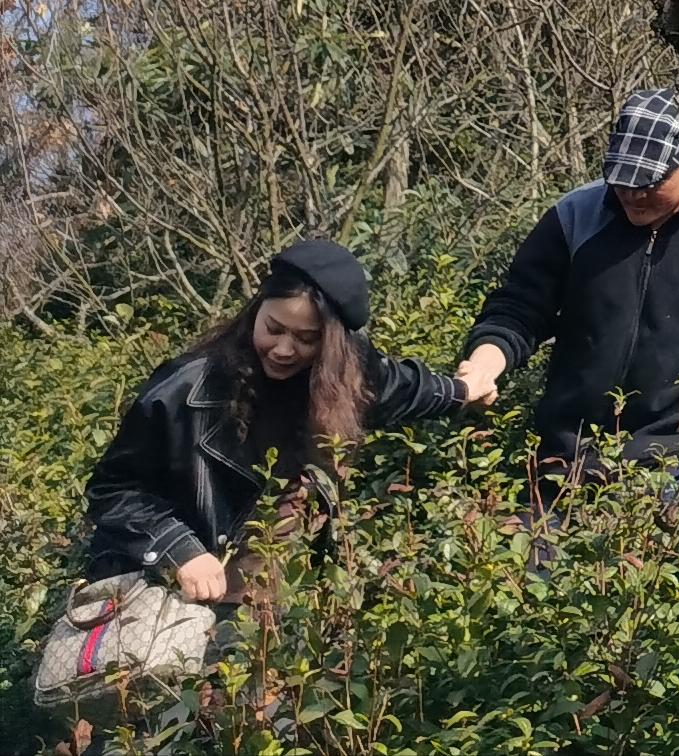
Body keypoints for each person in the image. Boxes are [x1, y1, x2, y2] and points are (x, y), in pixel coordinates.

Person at [74, 239, 491, 613]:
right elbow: (114, 491)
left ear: (331, 345)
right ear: (256, 310)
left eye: (307, 339)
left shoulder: (345, 375)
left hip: (285, 588)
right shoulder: (187, 389)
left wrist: (464, 389)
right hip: (189, 589)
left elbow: (403, 388)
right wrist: (179, 549)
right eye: (273, 329)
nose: (284, 349)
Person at [452, 90, 679, 485]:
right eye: (622, 180)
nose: (633, 195)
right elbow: (518, 308)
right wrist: (482, 368)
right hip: (566, 461)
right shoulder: (577, 215)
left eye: (650, 182)